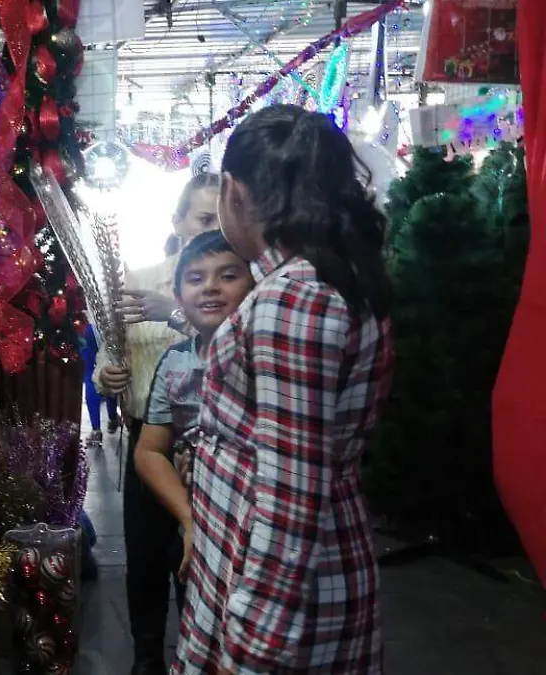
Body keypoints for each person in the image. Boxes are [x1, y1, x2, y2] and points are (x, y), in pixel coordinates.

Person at [175, 105, 393, 675]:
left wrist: (251, 651)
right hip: (277, 581)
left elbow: (292, 500)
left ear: (233, 192)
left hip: (283, 604)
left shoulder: (294, 299)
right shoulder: (313, 279)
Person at [92, 172, 220, 675]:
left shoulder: (233, 279)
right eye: (203, 218)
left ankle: (199, 652)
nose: (213, 229)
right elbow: (109, 348)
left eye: (221, 219)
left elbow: (234, 344)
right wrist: (107, 376)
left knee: (200, 561)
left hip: (210, 444)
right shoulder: (138, 281)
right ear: (178, 221)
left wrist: (175, 313)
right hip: (148, 439)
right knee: (144, 558)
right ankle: (147, 658)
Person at [132, 230, 255, 618]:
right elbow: (149, 450)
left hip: (257, 516)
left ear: (254, 284)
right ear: (179, 294)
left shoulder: (263, 354)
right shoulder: (176, 362)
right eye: (196, 278)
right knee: (198, 608)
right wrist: (189, 519)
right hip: (199, 508)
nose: (211, 288)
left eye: (229, 275)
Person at [81, 322, 120, 444]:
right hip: (108, 323)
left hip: (85, 324)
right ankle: (113, 419)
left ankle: (96, 430)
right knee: (109, 368)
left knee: (90, 374)